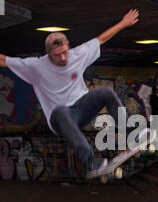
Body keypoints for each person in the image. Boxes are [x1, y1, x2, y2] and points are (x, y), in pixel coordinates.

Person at [0, 9, 139, 176]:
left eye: (65, 52)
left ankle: (133, 133)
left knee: (105, 92)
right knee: (60, 111)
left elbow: (101, 39)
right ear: (48, 53)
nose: (63, 58)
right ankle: (91, 162)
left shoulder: (77, 54)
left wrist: (123, 23)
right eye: (57, 55)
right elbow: (4, 60)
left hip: (81, 109)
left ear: (68, 46)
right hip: (59, 120)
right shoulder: (35, 66)